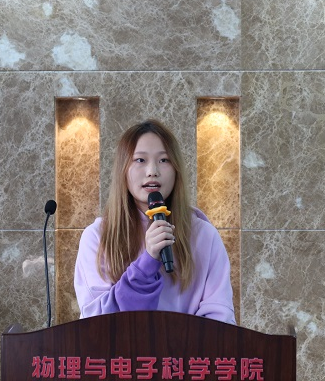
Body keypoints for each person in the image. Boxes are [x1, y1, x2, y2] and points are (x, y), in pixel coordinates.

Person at [74, 119, 235, 324]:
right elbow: (95, 323)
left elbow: (220, 320)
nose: (152, 171)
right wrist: (147, 263)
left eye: (164, 160)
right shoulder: (97, 237)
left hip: (186, 346)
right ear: (123, 169)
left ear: (176, 170)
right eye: (140, 160)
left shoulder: (204, 235)